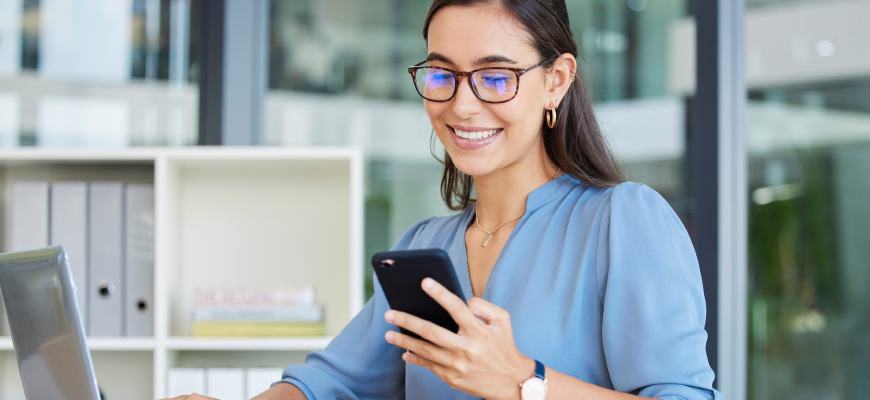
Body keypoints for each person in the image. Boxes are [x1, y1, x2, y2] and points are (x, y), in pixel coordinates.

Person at [167, 0, 722, 399]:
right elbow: (331, 383)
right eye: (442, 75)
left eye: (495, 77)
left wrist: (523, 381)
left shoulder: (622, 220)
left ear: (556, 81)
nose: (461, 105)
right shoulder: (425, 245)